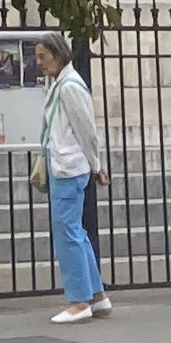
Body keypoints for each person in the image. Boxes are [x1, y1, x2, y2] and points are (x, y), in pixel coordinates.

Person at [35, 32, 111, 325]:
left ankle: (79, 302)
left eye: (43, 56)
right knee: (75, 231)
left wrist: (96, 164)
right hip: (66, 166)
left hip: (68, 168)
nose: (39, 62)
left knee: (68, 233)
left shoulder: (69, 87)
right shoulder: (62, 84)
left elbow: (86, 129)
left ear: (58, 54)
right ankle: (97, 296)